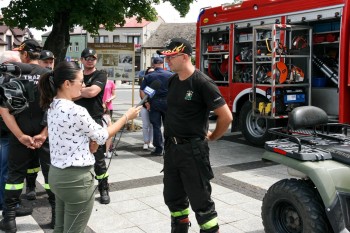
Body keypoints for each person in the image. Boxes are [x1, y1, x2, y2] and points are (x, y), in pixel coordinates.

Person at [38, 61, 141, 233]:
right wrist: (126, 117)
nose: (84, 85)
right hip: (76, 180)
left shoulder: (52, 106)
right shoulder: (76, 110)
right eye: (81, 81)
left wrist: (88, 145)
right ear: (67, 83)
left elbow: (70, 137)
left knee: (61, 228)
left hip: (56, 174)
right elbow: (102, 136)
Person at [157, 38, 233, 233]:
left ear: (184, 57)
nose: (167, 61)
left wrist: (214, 136)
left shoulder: (202, 82)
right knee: (173, 198)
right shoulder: (173, 80)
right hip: (172, 150)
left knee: (201, 203)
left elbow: (226, 116)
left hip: (192, 151)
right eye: (166, 57)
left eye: (171, 57)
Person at [0, 39, 55, 232]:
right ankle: (55, 217)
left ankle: (9, 219)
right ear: (38, 56)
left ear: (24, 55)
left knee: (14, 176)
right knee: (50, 175)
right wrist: (43, 134)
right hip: (45, 134)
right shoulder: (48, 75)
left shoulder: (9, 74)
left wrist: (20, 135)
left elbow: (4, 110)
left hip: (19, 132)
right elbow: (55, 108)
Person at [74, 48, 111, 204]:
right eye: (87, 58)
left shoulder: (100, 74)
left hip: (94, 120)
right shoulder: (76, 74)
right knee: (76, 156)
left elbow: (92, 93)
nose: (90, 60)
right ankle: (79, 189)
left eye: (93, 58)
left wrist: (77, 90)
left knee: (98, 158)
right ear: (81, 60)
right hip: (76, 121)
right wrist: (85, 90)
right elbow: (69, 93)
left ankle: (104, 189)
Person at [24, 50, 55, 201]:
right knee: (31, 160)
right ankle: (30, 185)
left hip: (47, 128)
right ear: (39, 63)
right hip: (30, 126)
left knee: (48, 164)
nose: (49, 65)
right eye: (46, 62)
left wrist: (45, 130)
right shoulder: (31, 78)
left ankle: (53, 198)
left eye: (51, 62)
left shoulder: (55, 79)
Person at [140, 57, 173, 156]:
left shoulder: (149, 76)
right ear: (163, 64)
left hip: (154, 103)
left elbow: (143, 91)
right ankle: (168, 148)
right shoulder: (171, 75)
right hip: (168, 103)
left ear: (153, 64)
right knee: (168, 126)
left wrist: (146, 102)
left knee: (156, 126)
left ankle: (158, 149)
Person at [139, 67, 155, 150]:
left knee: (152, 125)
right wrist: (146, 103)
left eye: (153, 72)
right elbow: (141, 93)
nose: (151, 74)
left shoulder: (157, 83)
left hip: (154, 107)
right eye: (149, 73)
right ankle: (145, 142)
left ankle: (151, 142)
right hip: (145, 107)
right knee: (145, 125)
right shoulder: (144, 83)